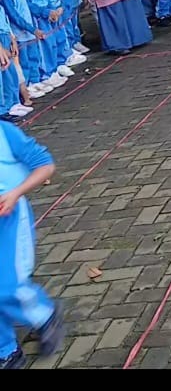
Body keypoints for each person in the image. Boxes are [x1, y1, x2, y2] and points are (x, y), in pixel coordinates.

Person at [0, 121, 64, 369]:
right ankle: (7, 351)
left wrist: (15, 193)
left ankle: (44, 314)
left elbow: (45, 165)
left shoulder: (5, 133)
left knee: (6, 287)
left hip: (10, 219)